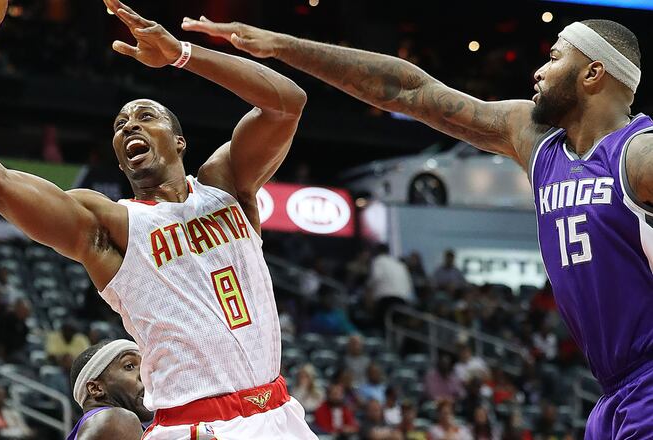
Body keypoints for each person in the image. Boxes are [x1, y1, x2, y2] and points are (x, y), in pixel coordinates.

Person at [182, 16, 653, 439]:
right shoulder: (535, 140)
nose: (539, 71)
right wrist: (284, 46)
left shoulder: (638, 154)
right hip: (614, 395)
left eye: (554, 58)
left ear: (593, 72)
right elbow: (408, 90)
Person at [0, 0, 312, 438]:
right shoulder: (108, 226)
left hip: (279, 410)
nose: (128, 127)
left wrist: (181, 55)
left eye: (145, 116)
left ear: (178, 141)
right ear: (119, 163)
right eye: (119, 125)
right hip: (194, 425)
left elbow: (287, 104)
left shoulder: (227, 186)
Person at [67, 340, 153, 440]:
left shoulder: (100, 425)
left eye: (144, 367)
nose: (146, 374)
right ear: (96, 388)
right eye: (129, 366)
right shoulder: (118, 420)